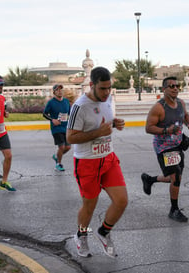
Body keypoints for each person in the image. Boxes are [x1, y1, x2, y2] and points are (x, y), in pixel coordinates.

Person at [67, 67, 128, 258]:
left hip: (108, 158)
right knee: (89, 206)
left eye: (109, 88)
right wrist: (97, 133)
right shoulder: (80, 106)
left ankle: (103, 232)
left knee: (121, 201)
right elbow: (70, 137)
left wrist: (115, 123)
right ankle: (81, 235)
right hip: (87, 162)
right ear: (91, 85)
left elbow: (105, 121)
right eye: (102, 88)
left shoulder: (108, 100)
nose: (106, 92)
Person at [141, 76, 189, 222]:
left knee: (174, 177)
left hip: (177, 144)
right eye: (171, 86)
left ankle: (149, 179)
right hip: (164, 146)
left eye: (177, 85)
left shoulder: (180, 103)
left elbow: (186, 116)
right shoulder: (158, 107)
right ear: (164, 89)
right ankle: (174, 209)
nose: (175, 88)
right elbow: (148, 128)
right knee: (176, 177)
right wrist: (167, 130)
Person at [43, 84, 71, 171]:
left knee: (68, 147)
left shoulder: (66, 101)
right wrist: (52, 120)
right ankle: (58, 164)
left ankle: (56, 156)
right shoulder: (51, 102)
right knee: (61, 147)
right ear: (54, 92)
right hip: (56, 128)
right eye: (57, 90)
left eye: (61, 89)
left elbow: (69, 113)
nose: (60, 91)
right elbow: (44, 114)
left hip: (65, 127)